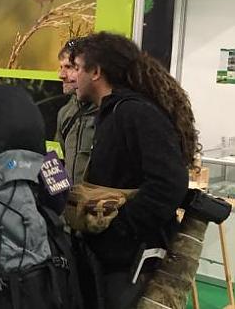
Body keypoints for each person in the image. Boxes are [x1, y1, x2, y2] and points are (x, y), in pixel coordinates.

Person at [68, 32, 197, 308]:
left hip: (131, 262)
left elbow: (169, 183)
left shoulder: (134, 113)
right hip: (114, 258)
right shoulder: (113, 113)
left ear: (96, 72)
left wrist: (120, 228)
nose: (70, 76)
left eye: (77, 68)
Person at [55, 40, 98, 185]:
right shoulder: (65, 113)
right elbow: (57, 162)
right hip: (69, 204)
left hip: (99, 205)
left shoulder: (112, 114)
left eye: (69, 67)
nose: (61, 75)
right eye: (61, 67)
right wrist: (57, 202)